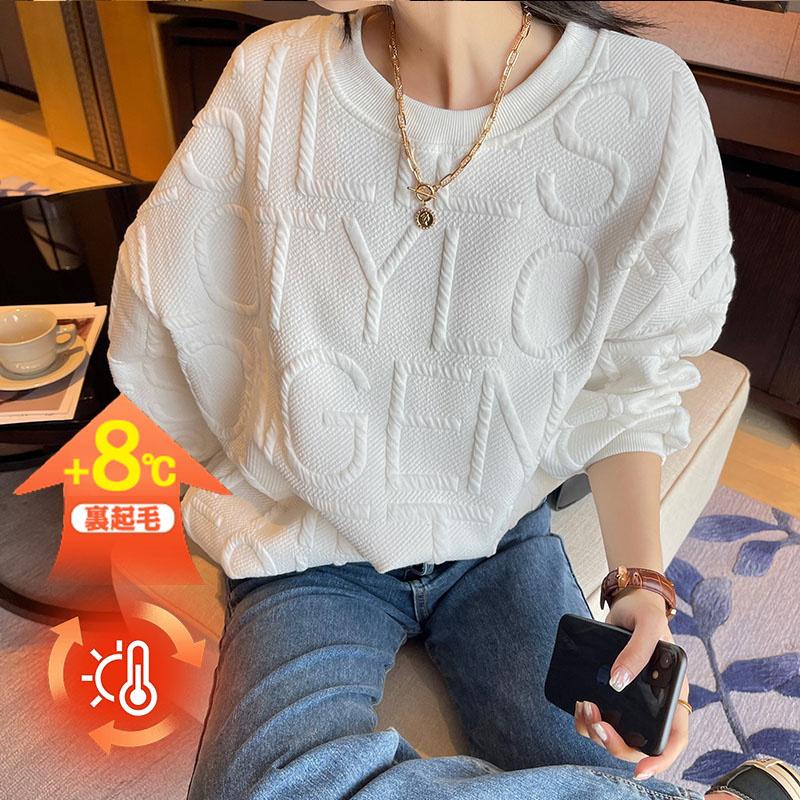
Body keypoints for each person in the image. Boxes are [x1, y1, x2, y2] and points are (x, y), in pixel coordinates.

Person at [106, 2, 795, 799]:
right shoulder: (273, 72)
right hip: (308, 544)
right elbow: (166, 308)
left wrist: (641, 586)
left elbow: (632, 379)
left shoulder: (644, 100)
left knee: (591, 762)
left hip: (500, 537)